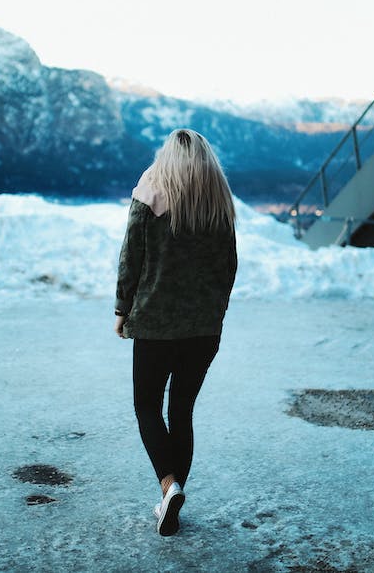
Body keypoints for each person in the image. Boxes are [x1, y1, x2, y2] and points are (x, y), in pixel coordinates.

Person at [114, 128, 237, 537]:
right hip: (203, 330)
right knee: (181, 409)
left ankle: (169, 487)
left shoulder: (151, 190)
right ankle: (173, 503)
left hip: (155, 324)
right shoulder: (218, 200)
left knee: (146, 406)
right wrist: (215, 312)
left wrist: (121, 307)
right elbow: (228, 267)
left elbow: (132, 255)